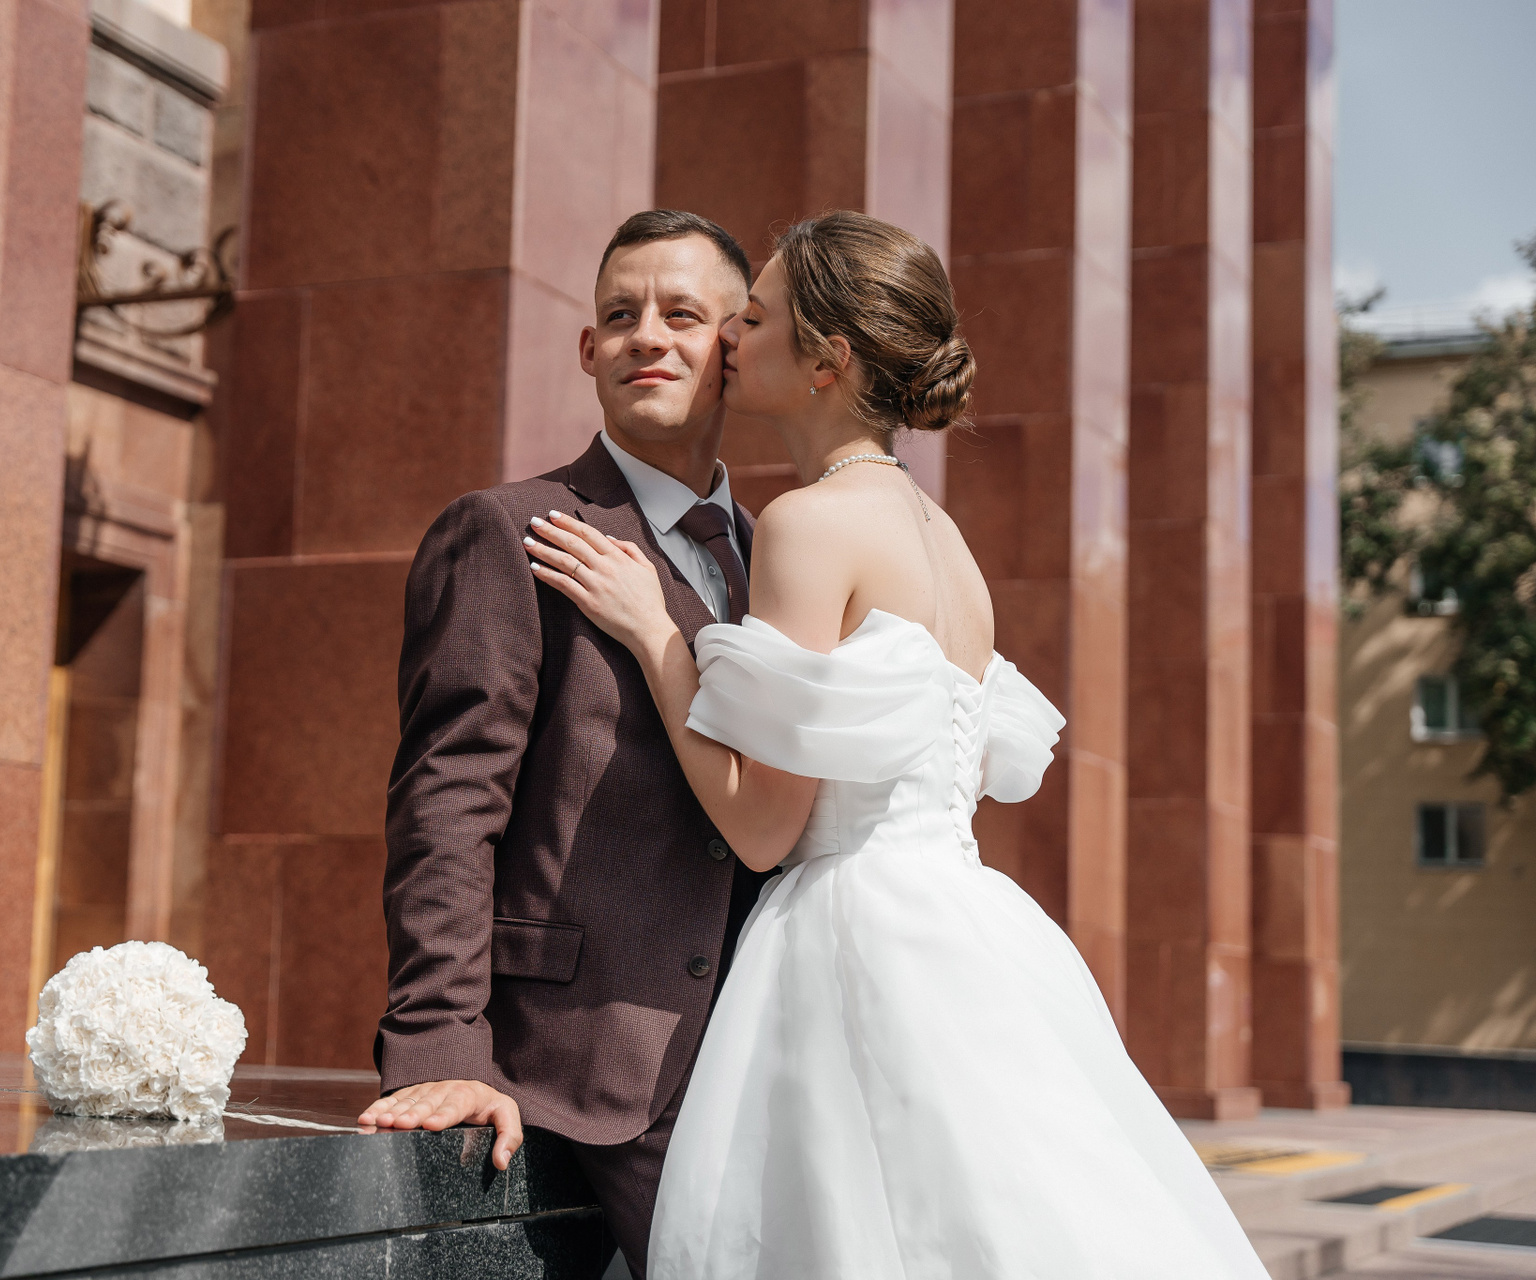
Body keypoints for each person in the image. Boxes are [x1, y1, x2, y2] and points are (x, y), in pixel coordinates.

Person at [521, 211, 1272, 1279]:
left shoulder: (807, 524)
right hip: (970, 932)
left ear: (826, 361)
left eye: (754, 318)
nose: (728, 337)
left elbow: (763, 825)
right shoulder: (944, 538)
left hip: (852, 936)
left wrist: (656, 635)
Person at [360, 209, 773, 1279]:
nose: (648, 336)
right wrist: (440, 1045)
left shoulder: (783, 560)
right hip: (578, 1064)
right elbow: (449, 803)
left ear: (737, 344)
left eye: (683, 314)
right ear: (589, 350)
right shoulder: (510, 529)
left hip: (764, 1057)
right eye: (620, 316)